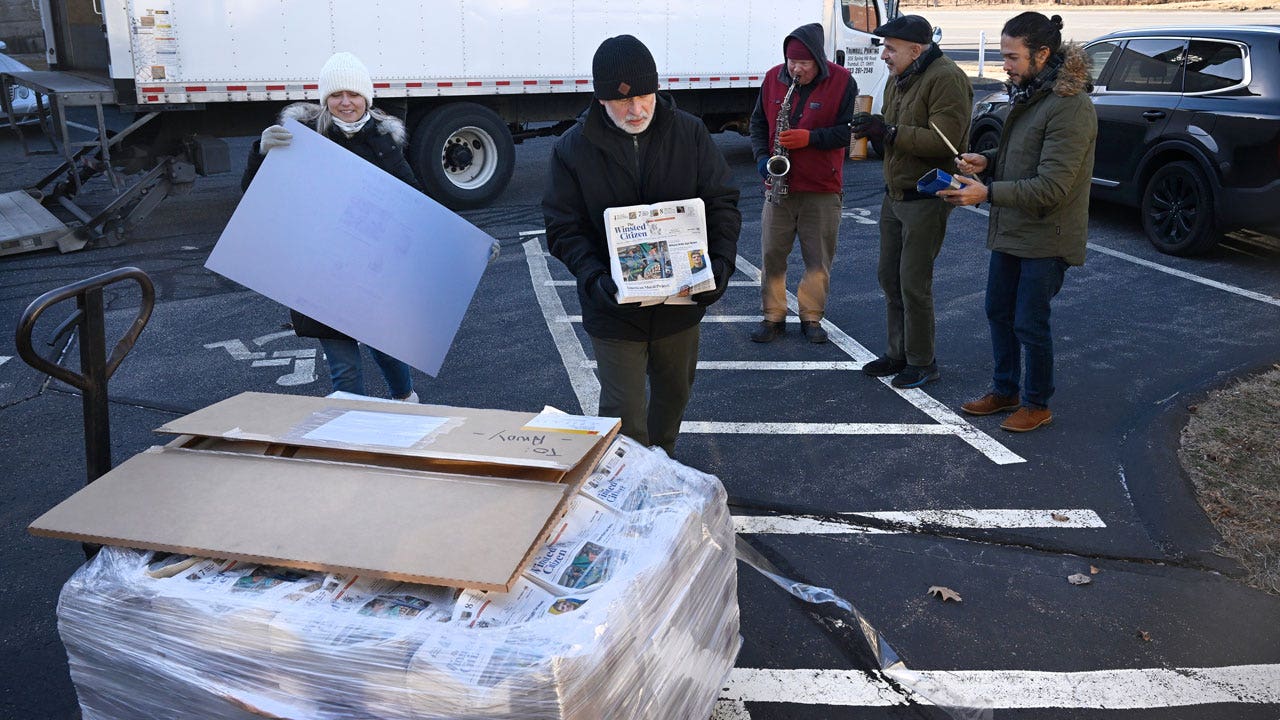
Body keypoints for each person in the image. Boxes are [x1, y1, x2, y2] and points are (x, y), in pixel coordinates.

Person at [542, 35, 741, 456]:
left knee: (673, 398)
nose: (636, 110)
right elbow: (562, 227)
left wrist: (721, 264)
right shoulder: (572, 149)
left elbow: (722, 202)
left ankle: (662, 462)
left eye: (645, 96)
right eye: (621, 101)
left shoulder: (689, 133)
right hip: (614, 309)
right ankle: (628, 483)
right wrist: (595, 278)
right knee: (624, 413)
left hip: (681, 302)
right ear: (600, 100)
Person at [242, 52, 434, 402]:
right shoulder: (299, 138)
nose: (345, 103)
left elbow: (416, 202)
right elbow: (257, 197)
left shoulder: (382, 140)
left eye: (354, 94)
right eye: (336, 95)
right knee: (344, 368)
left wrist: (464, 244)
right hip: (320, 270)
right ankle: (351, 435)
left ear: (367, 98)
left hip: (371, 272)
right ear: (324, 99)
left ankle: (407, 405)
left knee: (388, 350)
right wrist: (262, 154)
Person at [937, 12, 1096, 432]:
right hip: (1012, 228)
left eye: (1012, 56)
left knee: (1029, 320)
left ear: (1042, 54)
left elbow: (1051, 186)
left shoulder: (1069, 106)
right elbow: (1024, 157)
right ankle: (1005, 390)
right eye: (1003, 55)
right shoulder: (1031, 92)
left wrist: (986, 192)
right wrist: (986, 162)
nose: (1003, 65)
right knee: (998, 310)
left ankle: (1037, 402)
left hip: (1047, 233)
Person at [852, 15, 972, 388]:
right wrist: (875, 131)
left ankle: (922, 361)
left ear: (915, 49)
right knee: (890, 277)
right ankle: (898, 352)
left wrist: (888, 131)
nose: (884, 55)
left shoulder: (945, 78)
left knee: (913, 282)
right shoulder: (900, 76)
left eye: (890, 48)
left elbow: (945, 142)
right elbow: (893, 131)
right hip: (895, 194)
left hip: (926, 195)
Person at [749, 23, 857, 345]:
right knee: (772, 255)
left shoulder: (842, 81)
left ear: (818, 60)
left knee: (818, 259)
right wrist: (761, 159)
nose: (796, 69)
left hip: (821, 188)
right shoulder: (773, 79)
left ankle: (811, 317)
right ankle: (773, 317)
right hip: (779, 186)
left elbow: (847, 132)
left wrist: (810, 138)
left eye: (804, 63)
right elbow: (757, 123)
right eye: (791, 62)